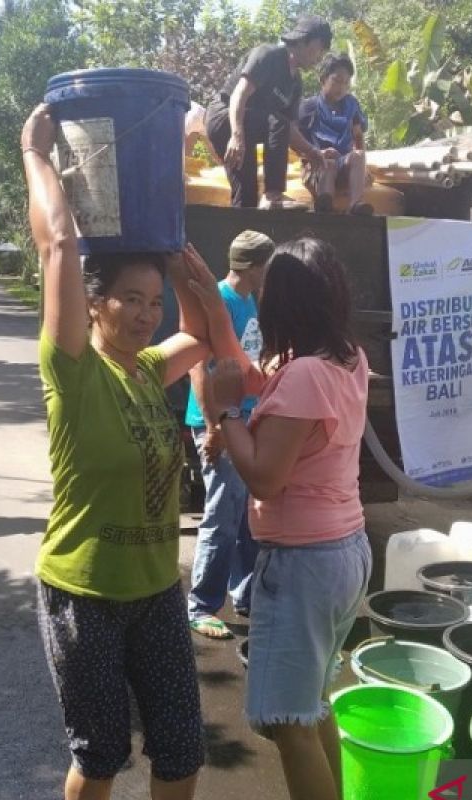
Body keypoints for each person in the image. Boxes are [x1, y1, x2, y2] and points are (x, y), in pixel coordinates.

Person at [22, 104, 249, 800]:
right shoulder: (73, 371)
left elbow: (210, 340)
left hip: (155, 592)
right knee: (100, 758)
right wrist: (36, 154)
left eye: (154, 302)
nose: (148, 314)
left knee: (181, 749)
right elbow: (61, 245)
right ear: (93, 305)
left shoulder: (150, 367)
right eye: (130, 298)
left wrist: (191, 278)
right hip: (84, 595)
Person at [202, 238, 372, 800]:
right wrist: (203, 293)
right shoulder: (346, 359)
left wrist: (224, 411)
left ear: (284, 304)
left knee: (285, 720)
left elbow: (264, 478)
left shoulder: (303, 375)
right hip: (345, 551)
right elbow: (257, 375)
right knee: (311, 706)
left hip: (304, 565)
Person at [184, 230, 272, 640]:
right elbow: (199, 367)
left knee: (244, 516)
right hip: (216, 421)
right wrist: (215, 427)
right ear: (255, 266)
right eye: (268, 265)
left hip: (241, 416)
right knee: (221, 516)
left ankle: (246, 594)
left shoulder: (249, 298)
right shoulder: (217, 298)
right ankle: (201, 605)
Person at [206, 15, 333, 210]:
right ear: (303, 40)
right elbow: (239, 95)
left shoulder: (296, 83)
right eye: (320, 47)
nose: (320, 56)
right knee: (277, 120)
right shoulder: (269, 55)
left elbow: (288, 130)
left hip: (249, 127)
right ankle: (273, 193)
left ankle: (244, 237)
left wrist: (312, 152)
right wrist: (236, 135)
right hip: (224, 116)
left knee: (247, 196)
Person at [298, 53, 371, 215]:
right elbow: (295, 142)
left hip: (343, 162)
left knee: (357, 156)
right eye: (337, 81)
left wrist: (362, 168)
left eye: (346, 83)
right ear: (323, 79)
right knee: (328, 164)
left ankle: (356, 204)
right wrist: (316, 153)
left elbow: (358, 136)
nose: (341, 87)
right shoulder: (309, 107)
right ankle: (325, 205)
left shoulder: (351, 105)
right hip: (316, 165)